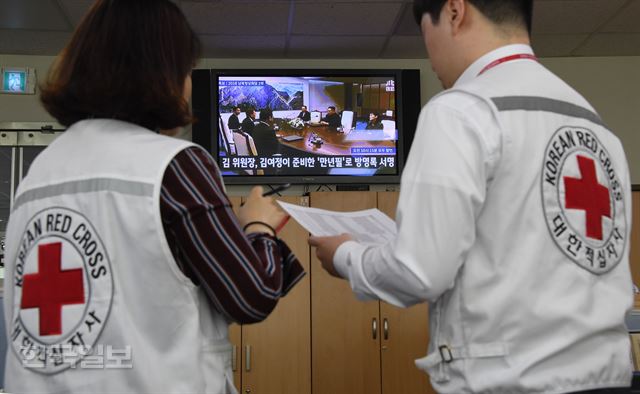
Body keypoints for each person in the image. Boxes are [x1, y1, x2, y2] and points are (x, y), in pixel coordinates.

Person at [309, 0, 633, 393]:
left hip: (509, 381)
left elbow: (419, 272)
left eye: (425, 33)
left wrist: (345, 255)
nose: (429, 58)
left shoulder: (461, 110)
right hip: (610, 377)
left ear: (454, 12)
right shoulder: (595, 124)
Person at [2, 1, 304, 393]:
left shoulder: (37, 173)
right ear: (163, 74)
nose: (189, 84)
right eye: (187, 70)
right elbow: (251, 296)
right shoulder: (174, 166)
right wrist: (257, 224)